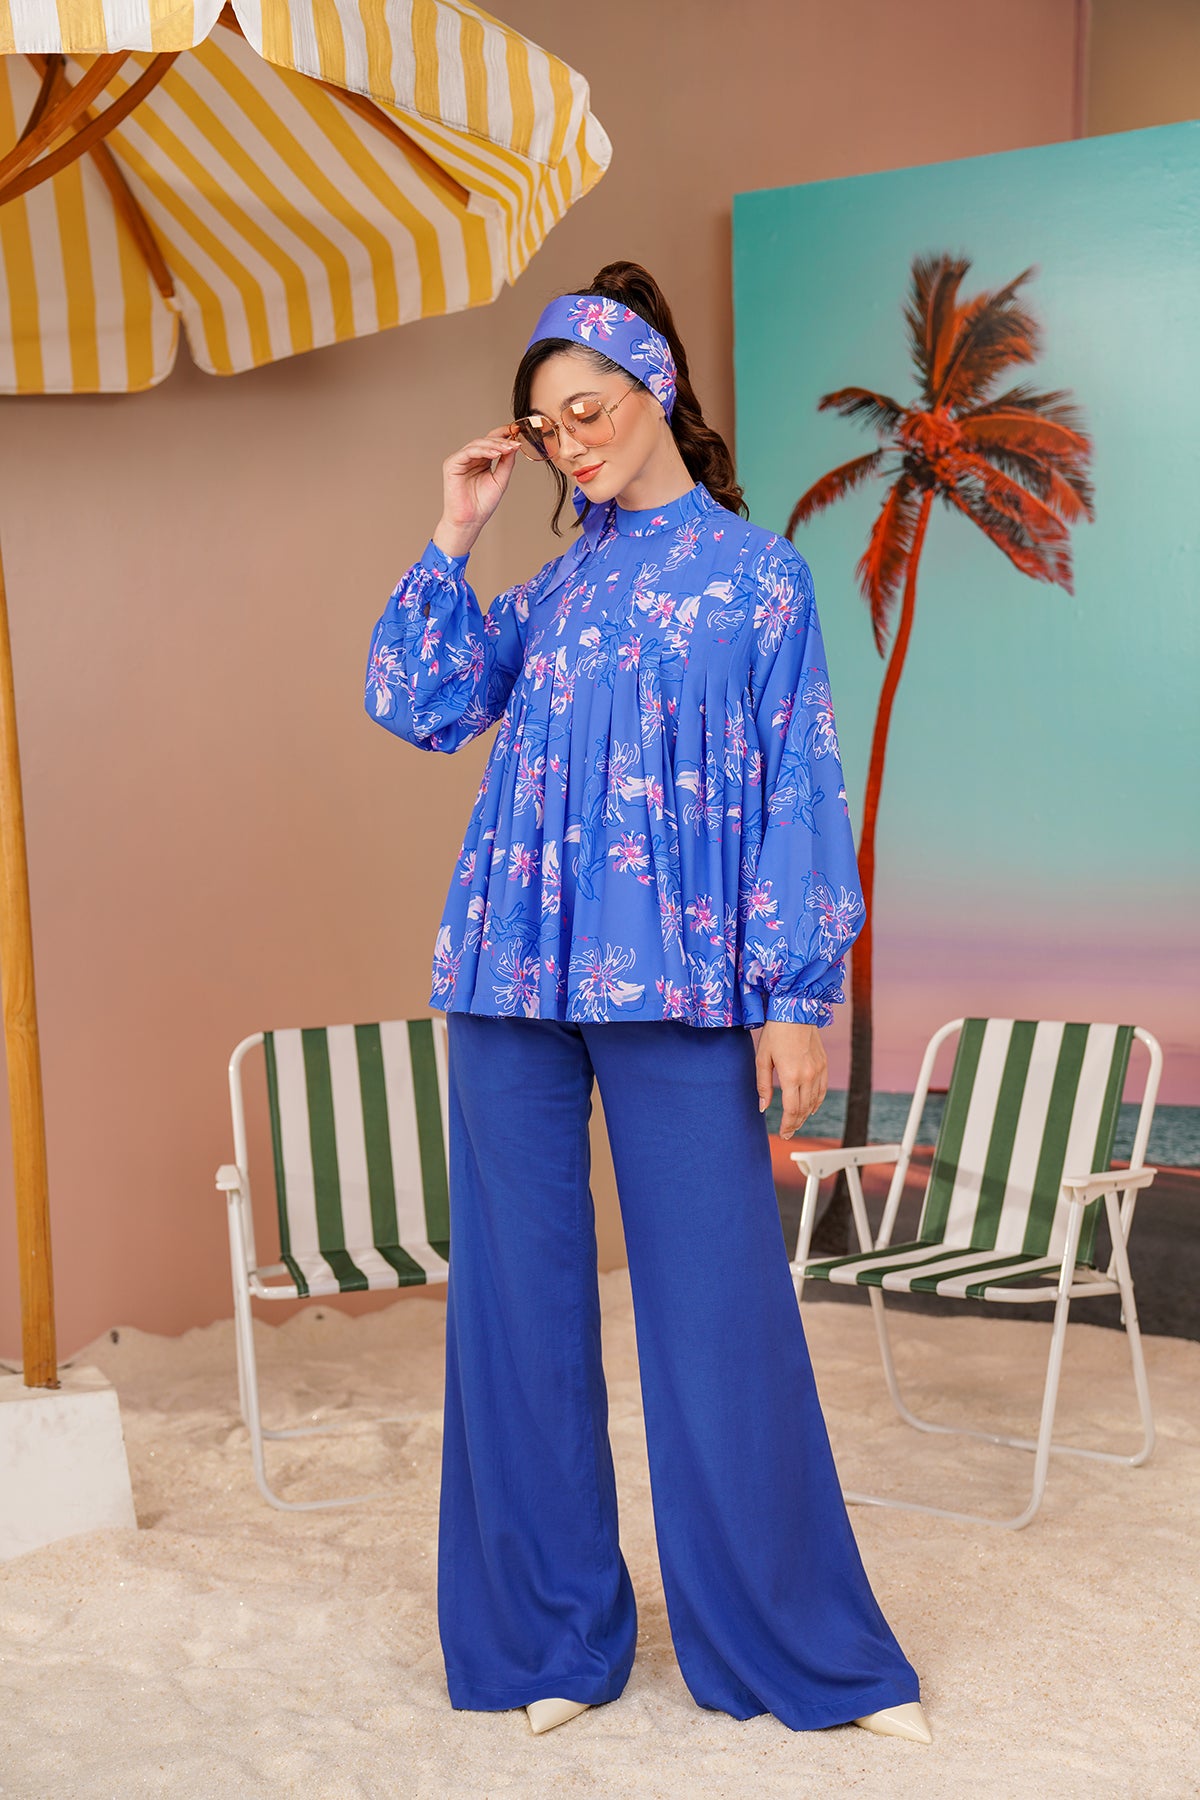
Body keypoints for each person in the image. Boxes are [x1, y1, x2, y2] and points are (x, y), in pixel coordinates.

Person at [364, 262, 931, 1745]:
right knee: (518, 1307)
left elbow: (799, 787)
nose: (571, 444)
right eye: (546, 428)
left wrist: (794, 991)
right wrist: (456, 528)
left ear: (655, 387)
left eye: (590, 411)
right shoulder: (551, 587)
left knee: (720, 1305)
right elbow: (418, 701)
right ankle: (550, 1637)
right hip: (507, 973)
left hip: (676, 978)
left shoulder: (759, 579)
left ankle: (790, 1646)